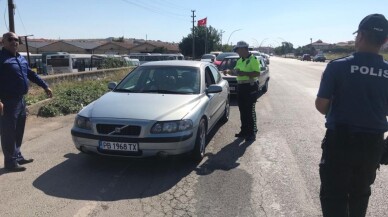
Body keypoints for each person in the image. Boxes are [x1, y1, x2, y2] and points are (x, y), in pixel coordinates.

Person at [315, 14, 388, 216]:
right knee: (360, 194)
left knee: (334, 196)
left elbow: (321, 105)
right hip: (372, 145)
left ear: (360, 36)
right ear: (384, 41)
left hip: (340, 142)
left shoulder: (337, 66)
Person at [0, 32, 53, 172]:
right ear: (3, 42)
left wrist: (45, 86)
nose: (14, 42)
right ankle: (10, 162)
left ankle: (17, 156)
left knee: (18, 131)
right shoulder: (1, 58)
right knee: (8, 132)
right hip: (7, 101)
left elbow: (32, 74)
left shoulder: (21, 59)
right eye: (10, 39)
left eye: (16, 40)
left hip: (21, 100)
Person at [224, 41, 260, 141]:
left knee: (250, 110)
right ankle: (244, 131)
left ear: (244, 49)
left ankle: (252, 132)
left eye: (238, 50)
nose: (237, 52)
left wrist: (244, 73)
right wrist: (228, 71)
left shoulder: (253, 59)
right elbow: (236, 71)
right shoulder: (240, 60)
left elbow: (257, 73)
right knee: (243, 110)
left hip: (250, 87)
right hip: (241, 87)